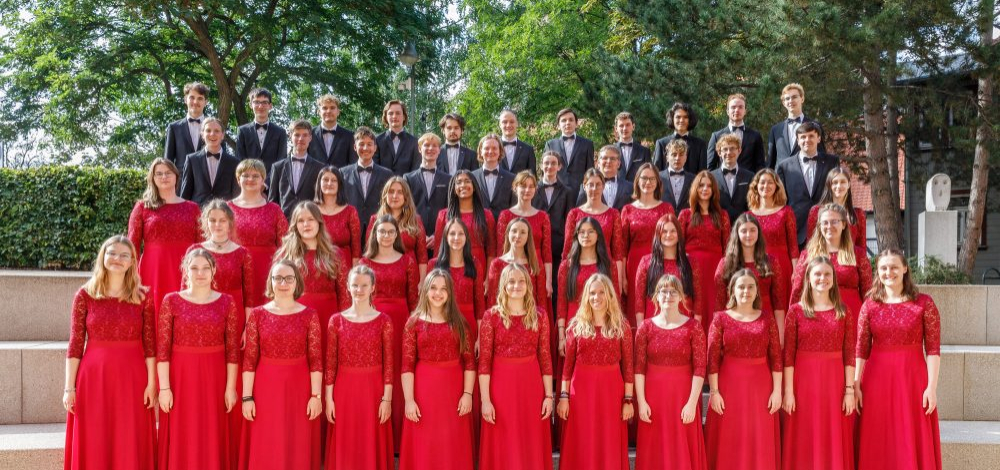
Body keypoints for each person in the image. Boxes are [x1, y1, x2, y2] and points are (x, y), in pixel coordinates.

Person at [63, 236, 156, 470]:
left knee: (129, 437)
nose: (118, 259)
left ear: (132, 262)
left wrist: (152, 382)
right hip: (94, 379)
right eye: (112, 253)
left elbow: (150, 345)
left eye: (125, 255)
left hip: (133, 378)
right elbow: (75, 345)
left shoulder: (143, 297)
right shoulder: (84, 296)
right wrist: (69, 388)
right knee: (95, 437)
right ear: (102, 257)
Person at [855, 249, 942, 469]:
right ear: (877, 271)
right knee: (878, 435)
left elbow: (932, 349)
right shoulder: (870, 305)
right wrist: (856, 384)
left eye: (894, 267)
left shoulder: (924, 303)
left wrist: (931, 388)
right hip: (876, 380)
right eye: (883, 268)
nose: (888, 272)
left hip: (912, 379)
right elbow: (861, 349)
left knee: (909, 435)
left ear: (905, 269)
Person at [156, 249, 240, 470]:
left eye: (205, 268)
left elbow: (232, 351)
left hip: (215, 378)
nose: (200, 273)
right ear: (185, 270)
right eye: (194, 268)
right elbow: (162, 350)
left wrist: (230, 388)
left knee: (212, 430)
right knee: (183, 431)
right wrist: (164, 388)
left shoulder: (227, 302)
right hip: (181, 378)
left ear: (214, 271)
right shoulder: (171, 301)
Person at [185, 201, 253, 464]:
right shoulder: (195, 250)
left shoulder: (242, 253)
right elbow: (186, 289)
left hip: (233, 317)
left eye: (222, 220)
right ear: (206, 223)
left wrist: (247, 327)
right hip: (202, 323)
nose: (217, 225)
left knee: (229, 379)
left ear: (230, 223)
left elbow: (249, 295)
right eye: (212, 220)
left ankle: (229, 448)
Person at [240, 260, 323, 470]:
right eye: (278, 278)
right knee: (268, 441)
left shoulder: (309, 315)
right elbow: (250, 360)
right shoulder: (258, 315)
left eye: (288, 278)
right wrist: (247, 397)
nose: (283, 283)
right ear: (270, 281)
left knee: (297, 441)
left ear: (297, 282)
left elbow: (315, 360)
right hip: (266, 388)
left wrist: (316, 396)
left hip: (300, 389)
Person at [781, 256, 856, 470]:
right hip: (802, 384)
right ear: (808, 278)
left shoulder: (843, 311)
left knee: (831, 434)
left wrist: (849, 391)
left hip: (834, 383)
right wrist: (788, 391)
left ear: (833, 279)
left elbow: (849, 354)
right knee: (804, 434)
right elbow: (789, 355)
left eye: (827, 274)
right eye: (818, 274)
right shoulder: (795, 312)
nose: (822, 278)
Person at [704, 270, 782, 470]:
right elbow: (712, 357)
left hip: (761, 388)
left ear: (757, 291)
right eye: (741, 286)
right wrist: (714, 392)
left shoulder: (767, 318)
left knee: (759, 437)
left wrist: (777, 391)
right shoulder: (721, 319)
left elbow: (775, 357)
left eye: (750, 287)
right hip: (729, 386)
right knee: (730, 438)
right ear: (732, 291)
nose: (745, 291)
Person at [479, 263, 554, 470]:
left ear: (528, 285)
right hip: (501, 388)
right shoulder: (491, 316)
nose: (516, 286)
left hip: (531, 386)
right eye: (511, 281)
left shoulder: (539, 316)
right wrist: (486, 400)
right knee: (504, 440)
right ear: (503, 285)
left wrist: (549, 396)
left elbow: (545, 357)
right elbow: (484, 362)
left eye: (521, 281)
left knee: (530, 439)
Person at [400, 270, 476, 470]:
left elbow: (469, 362)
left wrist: (467, 394)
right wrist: (409, 400)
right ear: (425, 290)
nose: (438, 293)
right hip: (424, 391)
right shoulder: (413, 323)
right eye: (433, 288)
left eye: (443, 289)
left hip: (453, 391)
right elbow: (407, 365)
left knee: (451, 442)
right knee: (426, 442)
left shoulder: (460, 323)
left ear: (450, 293)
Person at [557, 274, 633, 470]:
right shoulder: (575, 326)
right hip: (581, 392)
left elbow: (628, 368)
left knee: (608, 440)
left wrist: (627, 400)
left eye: (601, 292)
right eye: (592, 293)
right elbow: (567, 368)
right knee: (582, 440)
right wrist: (564, 397)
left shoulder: (622, 327)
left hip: (611, 392)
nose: (596, 297)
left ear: (609, 296)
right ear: (586, 297)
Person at [323, 265, 394, 470]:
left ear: (373, 287)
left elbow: (389, 365)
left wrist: (386, 399)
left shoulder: (384, 321)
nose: (359, 290)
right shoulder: (336, 321)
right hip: (345, 390)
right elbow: (331, 365)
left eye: (364, 285)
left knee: (371, 440)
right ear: (347, 287)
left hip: (374, 390)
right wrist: (329, 399)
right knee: (347, 442)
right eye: (355, 285)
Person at [634, 275, 707, 470]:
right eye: (664, 291)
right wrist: (641, 402)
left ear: (682, 296)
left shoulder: (694, 327)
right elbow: (639, 368)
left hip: (682, 397)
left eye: (674, 291)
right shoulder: (645, 328)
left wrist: (692, 403)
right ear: (656, 296)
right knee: (654, 450)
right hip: (653, 398)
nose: (668, 295)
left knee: (681, 449)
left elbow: (700, 367)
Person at [360, 215, 420, 449]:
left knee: (398, 370)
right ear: (374, 234)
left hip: (401, 320)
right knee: (379, 372)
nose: (385, 236)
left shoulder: (407, 262)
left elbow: (413, 300)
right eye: (381, 231)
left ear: (397, 235)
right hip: (372, 320)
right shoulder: (365, 262)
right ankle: (378, 432)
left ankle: (399, 436)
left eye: (390, 232)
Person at [128, 158, 202, 319]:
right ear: (152, 178)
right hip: (153, 269)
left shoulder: (193, 208)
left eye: (168, 173)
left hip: (185, 269)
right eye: (159, 174)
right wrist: (130, 276)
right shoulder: (142, 207)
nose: (164, 177)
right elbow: (132, 245)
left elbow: (201, 245)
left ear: (176, 176)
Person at [275, 201, 351, 358]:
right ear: (295, 226)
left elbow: (344, 295)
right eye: (301, 221)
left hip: (327, 317)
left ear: (319, 222)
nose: (306, 224)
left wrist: (345, 326)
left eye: (310, 219)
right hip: (294, 317)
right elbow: (276, 294)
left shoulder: (335, 255)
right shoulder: (285, 255)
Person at [790, 203, 872, 325]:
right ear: (819, 226)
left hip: (852, 317)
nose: (829, 226)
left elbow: (868, 293)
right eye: (825, 222)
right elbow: (797, 291)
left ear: (843, 224)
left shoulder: (858, 255)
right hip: (817, 318)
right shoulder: (808, 256)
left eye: (834, 222)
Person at [714, 213, 788, 341]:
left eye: (753, 230)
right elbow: (719, 304)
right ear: (737, 234)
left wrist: (780, 334)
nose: (749, 235)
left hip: (764, 322)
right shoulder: (725, 264)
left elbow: (779, 303)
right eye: (744, 231)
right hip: (734, 322)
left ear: (759, 233)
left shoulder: (771, 262)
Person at [229, 159, 288, 307]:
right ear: (238, 179)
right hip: (236, 269)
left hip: (267, 271)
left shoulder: (274, 210)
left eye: (256, 176)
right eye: (246, 175)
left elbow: (286, 245)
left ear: (263, 180)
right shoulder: (227, 209)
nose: (250, 179)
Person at [677, 171, 730, 333]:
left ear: (714, 190)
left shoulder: (722, 216)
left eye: (709, 186)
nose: (705, 189)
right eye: (701, 185)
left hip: (715, 271)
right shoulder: (685, 215)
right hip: (690, 269)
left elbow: (728, 247)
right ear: (695, 188)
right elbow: (678, 245)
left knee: (713, 306)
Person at [621, 163, 675, 322]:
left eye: (652, 179)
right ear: (637, 181)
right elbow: (623, 246)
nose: (648, 182)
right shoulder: (627, 210)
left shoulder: (666, 208)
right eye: (644, 178)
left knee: (658, 304)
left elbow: (673, 240)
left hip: (661, 262)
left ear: (658, 182)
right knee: (635, 308)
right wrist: (623, 276)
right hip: (634, 264)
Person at [557, 218, 618, 353]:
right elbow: (561, 302)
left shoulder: (609, 265)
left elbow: (615, 299)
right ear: (576, 236)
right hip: (573, 323)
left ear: (598, 235)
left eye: (591, 231)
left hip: (602, 323)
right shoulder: (566, 266)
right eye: (582, 232)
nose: (586, 236)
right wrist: (562, 335)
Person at [776, 122, 841, 247]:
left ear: (818, 138)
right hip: (796, 230)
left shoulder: (832, 162)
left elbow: (837, 193)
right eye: (803, 137)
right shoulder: (784, 166)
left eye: (811, 136)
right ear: (798, 140)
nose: (807, 140)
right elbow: (781, 201)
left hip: (826, 227)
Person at [563, 169, 626, 294]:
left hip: (605, 268)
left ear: (603, 186)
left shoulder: (613, 214)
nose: (594, 188)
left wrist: (618, 281)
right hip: (579, 270)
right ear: (584, 186)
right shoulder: (574, 214)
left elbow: (618, 251)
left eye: (598, 184)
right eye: (590, 184)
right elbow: (568, 249)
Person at [497, 171, 553, 299]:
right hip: (511, 271)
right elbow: (501, 249)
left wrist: (548, 281)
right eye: (523, 186)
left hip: (536, 271)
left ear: (535, 189)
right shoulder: (505, 215)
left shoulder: (543, 216)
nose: (527, 190)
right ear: (515, 187)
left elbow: (547, 252)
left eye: (531, 186)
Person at [430, 218, 485, 343]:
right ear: (445, 237)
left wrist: (480, 339)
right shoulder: (433, 265)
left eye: (461, 234)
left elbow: (480, 304)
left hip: (468, 323)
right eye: (452, 233)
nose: (456, 238)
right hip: (442, 322)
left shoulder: (475, 264)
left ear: (466, 238)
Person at [532, 151, 575, 313]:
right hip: (535, 246)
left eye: (553, 163)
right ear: (541, 166)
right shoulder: (533, 189)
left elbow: (569, 222)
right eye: (546, 163)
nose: (549, 166)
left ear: (559, 166)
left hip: (558, 247)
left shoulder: (567, 192)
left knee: (556, 288)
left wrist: (568, 249)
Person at [634, 214, 696, 324]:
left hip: (684, 324)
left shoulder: (691, 262)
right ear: (658, 234)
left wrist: (696, 327)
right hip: (653, 322)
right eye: (664, 231)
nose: (668, 235)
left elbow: (698, 300)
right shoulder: (646, 262)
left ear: (679, 234)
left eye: (673, 231)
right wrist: (640, 326)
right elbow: (639, 301)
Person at [747, 168, 798, 297]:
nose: (766, 186)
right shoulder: (748, 216)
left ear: (776, 186)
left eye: (770, 182)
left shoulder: (786, 212)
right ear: (756, 186)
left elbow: (793, 246)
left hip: (782, 266)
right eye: (762, 182)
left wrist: (796, 272)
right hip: (757, 265)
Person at [434, 170, 497, 267]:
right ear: (454, 189)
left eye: (467, 181)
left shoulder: (487, 215)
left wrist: (488, 279)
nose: (463, 185)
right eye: (458, 182)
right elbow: (438, 249)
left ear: (474, 187)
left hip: (479, 266)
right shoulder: (443, 215)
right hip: (450, 266)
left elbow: (491, 250)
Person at [371, 176, 428, 277]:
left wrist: (423, 281)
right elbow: (370, 252)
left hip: (410, 276)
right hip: (381, 275)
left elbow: (422, 256)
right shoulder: (375, 220)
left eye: (400, 192)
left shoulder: (415, 220)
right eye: (391, 191)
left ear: (406, 197)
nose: (395, 196)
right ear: (385, 195)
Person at [342, 126, 394, 238]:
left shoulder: (387, 174)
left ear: (375, 148)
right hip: (350, 227)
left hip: (379, 229)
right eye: (361, 144)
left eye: (369, 144)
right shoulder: (343, 173)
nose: (365, 148)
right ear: (355, 147)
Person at [487, 217, 547, 313]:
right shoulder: (497, 264)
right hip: (504, 318)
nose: (518, 235)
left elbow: (541, 299)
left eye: (523, 232)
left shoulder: (536, 264)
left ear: (528, 236)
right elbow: (492, 300)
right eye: (514, 231)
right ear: (507, 234)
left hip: (529, 318)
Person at [268, 119, 326, 218]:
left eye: (305, 135)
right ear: (290, 136)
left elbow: (321, 199)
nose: (301, 138)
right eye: (297, 135)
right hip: (283, 222)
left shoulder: (320, 168)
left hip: (309, 221)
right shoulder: (277, 167)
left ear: (310, 138)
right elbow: (272, 200)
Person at [405, 132, 451, 249]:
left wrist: (438, 235)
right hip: (414, 236)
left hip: (441, 240)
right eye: (426, 145)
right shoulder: (408, 178)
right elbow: (406, 208)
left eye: (435, 145)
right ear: (420, 149)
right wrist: (418, 233)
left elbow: (450, 209)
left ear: (439, 150)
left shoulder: (449, 179)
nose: (431, 148)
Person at [180, 117, 240, 205]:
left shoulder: (234, 162)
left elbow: (236, 195)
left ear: (222, 135)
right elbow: (185, 194)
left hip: (224, 214)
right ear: (202, 134)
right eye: (208, 130)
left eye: (216, 131)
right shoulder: (192, 160)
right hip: (197, 214)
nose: (212, 134)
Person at [807, 166, 867, 250]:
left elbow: (862, 247)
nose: (839, 186)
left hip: (850, 260)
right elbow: (811, 244)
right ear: (829, 185)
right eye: (835, 182)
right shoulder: (816, 211)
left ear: (849, 184)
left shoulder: (858, 214)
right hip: (825, 260)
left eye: (843, 182)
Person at [767, 83, 825, 169]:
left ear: (802, 98)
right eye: (787, 98)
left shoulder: (815, 126)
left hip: (806, 177)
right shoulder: (775, 130)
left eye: (794, 97)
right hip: (781, 179)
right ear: (783, 103)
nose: (791, 101)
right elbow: (770, 162)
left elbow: (822, 155)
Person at [314, 166, 362, 266]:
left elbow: (356, 247)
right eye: (326, 180)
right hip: (318, 265)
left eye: (334, 180)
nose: (329, 183)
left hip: (344, 266)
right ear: (319, 183)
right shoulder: (311, 211)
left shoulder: (350, 211)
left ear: (339, 185)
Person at [706, 93, 766, 173]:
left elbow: (760, 165)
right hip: (723, 183)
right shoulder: (716, 136)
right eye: (733, 107)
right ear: (727, 111)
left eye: (740, 107)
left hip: (749, 182)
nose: (737, 110)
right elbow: (710, 166)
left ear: (745, 111)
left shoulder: (755, 136)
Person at [236, 88, 288, 175]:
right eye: (256, 102)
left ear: (270, 106)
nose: (260, 106)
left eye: (264, 102)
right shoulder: (242, 131)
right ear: (250, 105)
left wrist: (266, 183)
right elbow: (240, 159)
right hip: (249, 182)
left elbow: (281, 161)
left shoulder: (280, 132)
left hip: (272, 184)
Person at [544, 108, 595, 189]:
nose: (567, 123)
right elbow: (546, 170)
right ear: (558, 125)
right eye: (564, 120)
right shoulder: (550, 144)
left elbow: (590, 170)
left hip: (580, 192)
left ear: (576, 123)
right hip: (557, 191)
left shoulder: (587, 144)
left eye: (571, 120)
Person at [164, 82, 208, 174]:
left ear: (206, 102)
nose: (195, 102)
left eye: (200, 98)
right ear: (185, 100)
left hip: (208, 184)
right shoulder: (174, 128)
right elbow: (168, 162)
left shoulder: (215, 128)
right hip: (181, 184)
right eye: (192, 97)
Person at [471, 133, 516, 221]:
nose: (490, 151)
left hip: (504, 227)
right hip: (478, 227)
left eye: (494, 148)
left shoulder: (512, 178)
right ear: (480, 151)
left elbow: (514, 207)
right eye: (486, 148)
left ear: (500, 151)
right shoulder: (472, 177)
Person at [653, 102, 707, 175]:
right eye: (678, 117)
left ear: (690, 120)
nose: (681, 120)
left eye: (685, 117)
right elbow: (656, 172)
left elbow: (702, 174)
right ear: (672, 119)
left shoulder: (700, 145)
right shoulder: (661, 143)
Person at [709, 134, 753, 223]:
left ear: (739, 150)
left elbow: (752, 204)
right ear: (719, 152)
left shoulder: (750, 176)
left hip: (743, 226)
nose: (729, 152)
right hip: (717, 225)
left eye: (732, 148)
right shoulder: (710, 177)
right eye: (725, 149)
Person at [576, 145, 633, 210]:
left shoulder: (630, 187)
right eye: (605, 158)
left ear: (618, 164)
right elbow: (580, 212)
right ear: (598, 163)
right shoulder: (587, 186)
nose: (608, 161)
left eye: (612, 158)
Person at [308, 94, 355, 167]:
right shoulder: (309, 134)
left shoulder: (349, 136)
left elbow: (352, 165)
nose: (328, 111)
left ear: (338, 112)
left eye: (332, 108)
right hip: (314, 178)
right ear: (319, 112)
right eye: (325, 108)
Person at [374, 100, 420, 175]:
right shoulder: (376, 141)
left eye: (398, 113)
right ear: (386, 117)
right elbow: (375, 169)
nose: (394, 116)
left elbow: (415, 172)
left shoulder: (415, 142)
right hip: (383, 186)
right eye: (390, 113)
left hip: (407, 186)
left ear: (404, 116)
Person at [658, 139, 696, 212]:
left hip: (687, 221)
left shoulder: (694, 179)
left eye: (681, 155)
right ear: (667, 157)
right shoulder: (657, 177)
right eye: (674, 154)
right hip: (663, 219)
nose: (677, 158)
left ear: (686, 158)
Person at [613, 111, 651, 182]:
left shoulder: (644, 151)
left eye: (628, 125)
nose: (624, 128)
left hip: (637, 191)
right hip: (617, 192)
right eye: (621, 125)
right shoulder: (610, 151)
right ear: (616, 129)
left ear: (633, 127)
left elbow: (648, 174)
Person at [497, 109, 537, 174]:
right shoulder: (492, 149)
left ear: (517, 124)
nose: (508, 125)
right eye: (505, 122)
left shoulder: (528, 149)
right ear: (500, 124)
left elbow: (532, 177)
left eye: (512, 122)